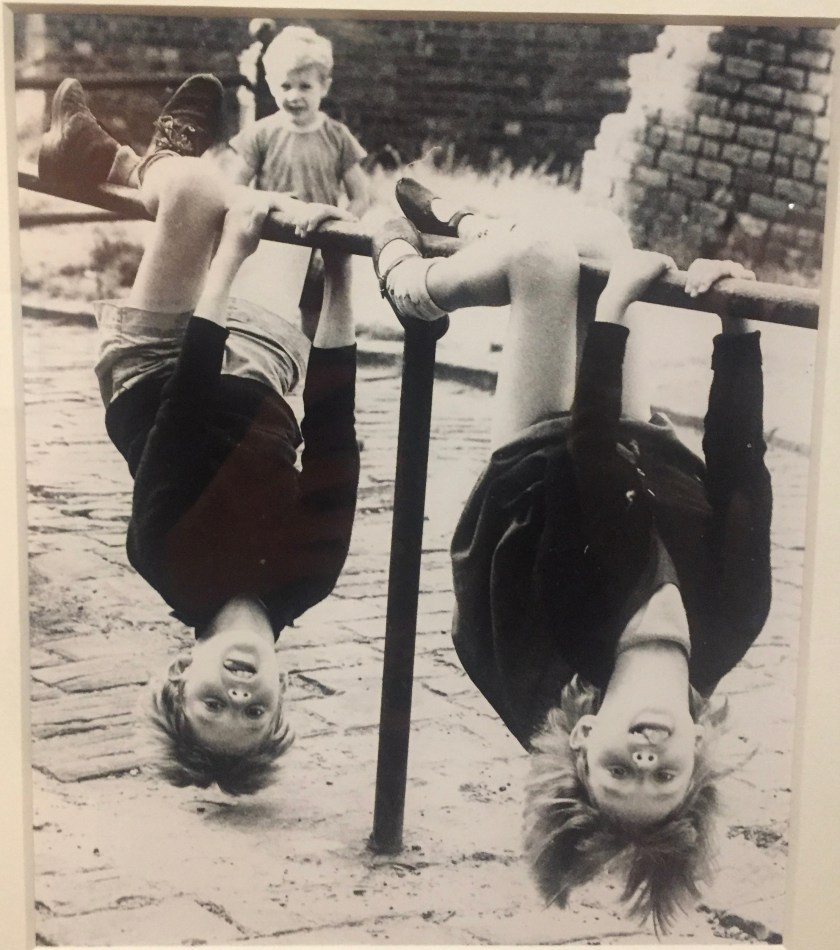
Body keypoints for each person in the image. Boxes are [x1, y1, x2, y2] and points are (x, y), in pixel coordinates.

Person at [372, 179, 772, 929]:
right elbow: (742, 472)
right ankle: (472, 221)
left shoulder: (575, 626)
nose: (646, 755)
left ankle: (413, 286)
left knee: (546, 263)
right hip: (640, 459)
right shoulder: (736, 619)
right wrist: (738, 324)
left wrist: (616, 311)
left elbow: (580, 458)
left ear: (585, 741)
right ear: (700, 751)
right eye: (665, 774)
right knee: (606, 240)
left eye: (622, 770)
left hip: (534, 476)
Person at [38, 74, 361, 796]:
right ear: (284, 696)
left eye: (214, 704)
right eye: (254, 710)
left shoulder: (165, 558)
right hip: (267, 366)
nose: (239, 691)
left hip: (157, 372)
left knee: (201, 200)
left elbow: (184, 410)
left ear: (181, 674)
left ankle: (131, 160)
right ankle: (140, 158)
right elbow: (335, 431)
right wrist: (339, 272)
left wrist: (230, 259)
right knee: (288, 212)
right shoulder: (311, 576)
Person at [220, 24, 371, 340]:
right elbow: (233, 187)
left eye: (304, 86)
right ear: (272, 86)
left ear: (324, 86)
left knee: (316, 322)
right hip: (272, 243)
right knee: (264, 318)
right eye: (284, 86)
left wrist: (338, 232)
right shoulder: (262, 134)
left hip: (319, 245)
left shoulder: (337, 136)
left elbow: (360, 196)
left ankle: (311, 378)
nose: (294, 96)